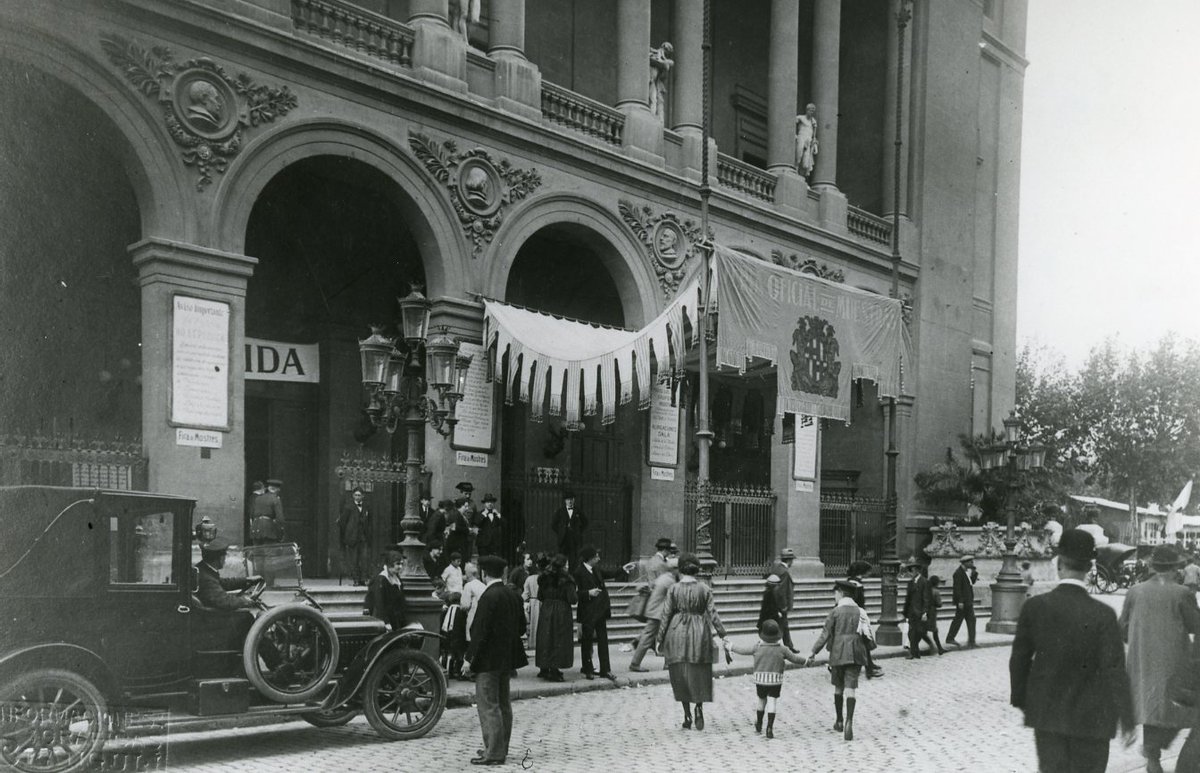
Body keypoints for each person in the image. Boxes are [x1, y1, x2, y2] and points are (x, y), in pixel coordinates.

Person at [1010, 528, 1135, 773]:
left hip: (1048, 716)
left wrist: (1023, 700)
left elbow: (1019, 660)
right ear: (1089, 568)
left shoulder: (1034, 607)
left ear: (1059, 564)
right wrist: (1127, 718)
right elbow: (1115, 670)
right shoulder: (1104, 614)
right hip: (1093, 721)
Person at [1120, 543, 1200, 773]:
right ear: (1175, 569)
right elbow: (1196, 625)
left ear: (1152, 567)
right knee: (1182, 713)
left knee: (1151, 712)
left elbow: (1123, 627)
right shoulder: (1182, 593)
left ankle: (1152, 757)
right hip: (1176, 668)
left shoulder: (1134, 591)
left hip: (1143, 666)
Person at [464, 554, 527, 767]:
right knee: (503, 704)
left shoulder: (488, 596)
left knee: (488, 705)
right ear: (502, 573)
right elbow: (521, 628)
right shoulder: (512, 595)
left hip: (488, 660)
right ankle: (500, 747)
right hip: (506, 659)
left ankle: (493, 753)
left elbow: (479, 631)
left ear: (483, 573)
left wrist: (468, 659)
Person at [656, 552, 727, 731]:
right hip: (699, 631)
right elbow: (713, 613)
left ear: (680, 569)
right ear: (697, 569)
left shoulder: (673, 589)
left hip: (677, 631)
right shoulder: (704, 588)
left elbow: (665, 615)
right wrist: (722, 634)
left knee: (680, 672)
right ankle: (698, 708)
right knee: (700, 671)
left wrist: (660, 638)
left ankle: (686, 714)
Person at [805, 579, 871, 742]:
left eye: (835, 593)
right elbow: (868, 634)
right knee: (851, 688)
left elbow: (825, 634)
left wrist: (813, 652)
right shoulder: (861, 611)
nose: (834, 597)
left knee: (838, 686)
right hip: (856, 653)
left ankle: (839, 720)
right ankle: (850, 721)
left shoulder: (835, 612)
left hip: (838, 653)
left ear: (840, 593)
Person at [729, 619, 806, 739]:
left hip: (760, 680)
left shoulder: (757, 647)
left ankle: (759, 722)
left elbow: (743, 650)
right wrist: (806, 661)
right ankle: (769, 727)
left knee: (761, 700)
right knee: (772, 702)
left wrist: (731, 646)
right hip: (775, 680)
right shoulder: (783, 649)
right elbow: (795, 658)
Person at [630, 550, 679, 672]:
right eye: (679, 568)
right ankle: (635, 664)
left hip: (655, 611)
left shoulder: (663, 577)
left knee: (663, 637)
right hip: (659, 613)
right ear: (674, 569)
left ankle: (667, 663)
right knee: (649, 638)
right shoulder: (670, 580)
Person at [574, 545, 616, 680]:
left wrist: (623, 570)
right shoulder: (579, 572)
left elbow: (609, 574)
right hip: (587, 612)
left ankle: (606, 669)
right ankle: (588, 669)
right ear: (590, 558)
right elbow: (574, 594)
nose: (599, 558)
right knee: (587, 641)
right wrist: (588, 593)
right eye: (596, 556)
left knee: (603, 640)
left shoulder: (596, 569)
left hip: (600, 610)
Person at [535, 554, 576, 681]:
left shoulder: (544, 578)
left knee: (545, 638)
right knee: (558, 639)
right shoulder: (567, 580)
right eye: (567, 564)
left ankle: (544, 667)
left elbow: (540, 596)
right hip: (561, 611)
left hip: (546, 608)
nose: (568, 566)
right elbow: (573, 599)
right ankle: (554, 670)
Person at [194, 537, 260, 610]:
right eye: (224, 556)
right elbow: (224, 601)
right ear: (218, 559)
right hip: (213, 617)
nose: (225, 559)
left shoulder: (203, 569)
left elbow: (221, 583)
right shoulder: (206, 578)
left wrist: (246, 580)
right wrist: (244, 601)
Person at [846, 560, 884, 678]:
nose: (869, 574)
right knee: (863, 643)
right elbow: (859, 604)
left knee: (863, 643)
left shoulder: (850, 582)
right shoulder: (857, 585)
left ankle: (870, 665)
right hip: (857, 618)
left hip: (851, 617)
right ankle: (869, 669)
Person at [364, 548, 409, 631]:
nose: (400, 567)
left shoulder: (396, 578)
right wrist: (386, 623)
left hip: (395, 619)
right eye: (397, 564)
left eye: (402, 564)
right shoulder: (382, 580)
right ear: (390, 564)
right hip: (385, 621)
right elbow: (380, 604)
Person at [338, 487, 372, 586]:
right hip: (352, 538)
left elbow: (369, 521)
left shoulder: (366, 507)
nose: (357, 497)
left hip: (363, 537)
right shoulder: (348, 507)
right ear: (353, 496)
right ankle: (356, 579)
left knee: (364, 559)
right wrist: (348, 534)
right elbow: (342, 522)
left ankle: (363, 579)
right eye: (356, 495)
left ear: (363, 496)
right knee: (354, 559)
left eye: (359, 495)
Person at [767, 548, 797, 651]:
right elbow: (781, 592)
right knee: (780, 626)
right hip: (780, 605)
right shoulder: (784, 572)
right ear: (789, 560)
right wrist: (782, 607)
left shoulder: (777, 569)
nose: (792, 562)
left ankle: (789, 646)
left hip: (773, 604)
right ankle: (773, 648)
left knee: (784, 626)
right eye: (792, 560)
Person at [946, 554, 978, 647]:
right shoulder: (958, 573)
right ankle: (950, 638)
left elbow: (972, 582)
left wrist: (974, 572)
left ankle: (972, 641)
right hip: (963, 602)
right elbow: (957, 589)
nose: (972, 563)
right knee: (958, 620)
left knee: (971, 620)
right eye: (971, 562)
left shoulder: (967, 572)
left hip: (968, 601)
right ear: (965, 563)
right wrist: (960, 601)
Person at [550, 491, 587, 569]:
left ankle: (572, 577)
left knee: (573, 560)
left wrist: (578, 531)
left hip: (574, 539)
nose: (570, 501)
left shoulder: (578, 511)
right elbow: (553, 524)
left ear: (574, 500)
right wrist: (560, 532)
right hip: (563, 539)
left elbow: (585, 522)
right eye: (568, 499)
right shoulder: (560, 511)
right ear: (565, 501)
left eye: (571, 499)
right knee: (561, 558)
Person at [903, 560, 929, 658]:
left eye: (913, 570)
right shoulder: (910, 583)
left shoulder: (924, 582)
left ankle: (915, 651)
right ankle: (913, 652)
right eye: (911, 570)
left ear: (918, 570)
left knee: (919, 632)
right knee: (911, 632)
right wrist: (905, 612)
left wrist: (925, 612)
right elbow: (908, 598)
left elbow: (926, 598)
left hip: (920, 611)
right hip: (911, 611)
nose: (912, 572)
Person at [249, 478, 284, 546]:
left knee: (257, 552)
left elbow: (252, 514)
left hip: (255, 528)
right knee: (269, 552)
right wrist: (280, 533)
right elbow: (280, 519)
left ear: (268, 488)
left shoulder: (258, 498)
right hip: (268, 530)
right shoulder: (275, 499)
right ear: (277, 489)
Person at [522, 553, 547, 648]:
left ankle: (534, 643)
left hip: (534, 602)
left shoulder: (529, 579)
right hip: (544, 601)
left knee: (535, 623)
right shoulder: (546, 578)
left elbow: (525, 594)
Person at [920, 575, 947, 656]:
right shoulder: (936, 591)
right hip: (932, 612)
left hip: (924, 611)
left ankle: (936, 647)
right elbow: (939, 604)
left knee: (923, 630)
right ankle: (936, 647)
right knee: (934, 630)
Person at [648, 42, 674, 120]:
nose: (666, 52)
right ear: (663, 47)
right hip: (651, 79)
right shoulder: (654, 52)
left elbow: (664, 74)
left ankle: (659, 120)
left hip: (657, 83)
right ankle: (652, 118)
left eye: (668, 52)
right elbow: (650, 59)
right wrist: (664, 63)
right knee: (652, 99)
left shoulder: (664, 59)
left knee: (658, 101)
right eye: (666, 50)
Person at [474, 493, 503, 560]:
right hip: (483, 544)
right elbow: (477, 522)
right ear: (484, 504)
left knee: (494, 562)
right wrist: (484, 514)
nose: (490, 504)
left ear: (493, 503)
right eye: (487, 502)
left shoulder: (496, 515)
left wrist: (498, 514)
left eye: (491, 502)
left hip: (494, 543)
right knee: (483, 562)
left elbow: (504, 523)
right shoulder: (480, 513)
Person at [794, 103, 818, 179]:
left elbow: (814, 134)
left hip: (808, 140)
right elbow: (791, 123)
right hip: (801, 137)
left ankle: (802, 177)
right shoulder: (800, 118)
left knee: (806, 163)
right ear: (807, 110)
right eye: (811, 110)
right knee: (798, 156)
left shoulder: (813, 122)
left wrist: (814, 142)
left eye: (813, 111)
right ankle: (795, 172)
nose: (812, 112)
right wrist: (794, 135)